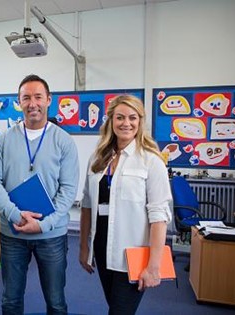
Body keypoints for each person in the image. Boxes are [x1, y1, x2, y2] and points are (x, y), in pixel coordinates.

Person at [0, 74, 79, 315]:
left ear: (49, 100)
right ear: (19, 102)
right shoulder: (3, 140)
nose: (32, 103)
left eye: (38, 97)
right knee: (10, 301)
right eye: (26, 98)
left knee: (56, 302)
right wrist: (15, 215)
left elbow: (68, 190)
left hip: (52, 235)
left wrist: (44, 224)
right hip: (12, 234)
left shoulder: (64, 141)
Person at [79, 94, 172, 314]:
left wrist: (154, 266)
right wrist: (84, 247)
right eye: (119, 117)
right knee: (116, 306)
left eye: (132, 117)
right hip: (102, 250)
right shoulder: (97, 158)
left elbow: (159, 217)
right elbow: (87, 205)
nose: (126, 123)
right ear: (111, 121)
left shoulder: (151, 160)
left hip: (132, 255)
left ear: (140, 122)